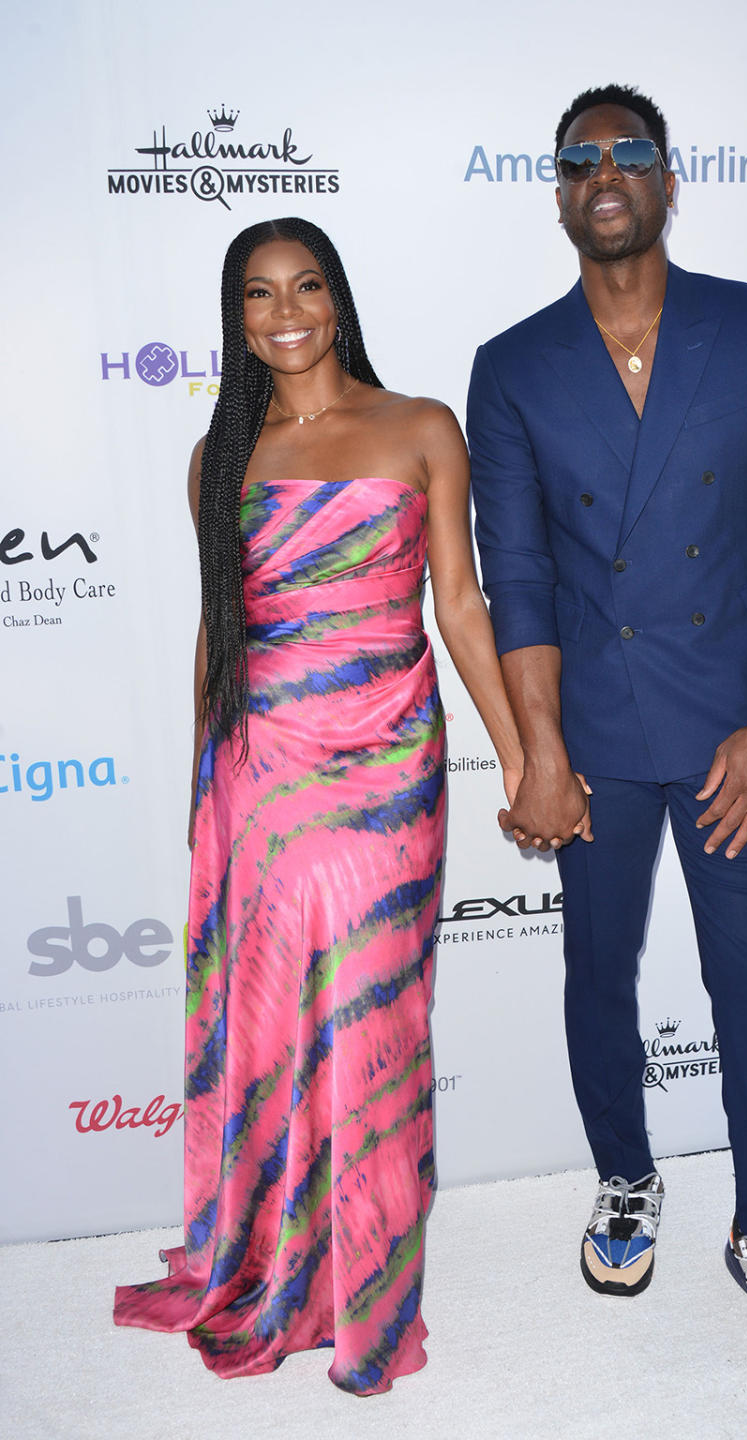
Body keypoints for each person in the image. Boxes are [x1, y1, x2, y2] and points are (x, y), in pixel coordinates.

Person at [467, 86, 747, 1373]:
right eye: (581, 157)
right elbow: (514, 573)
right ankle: (625, 1177)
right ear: (560, 190)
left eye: (630, 152)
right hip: (599, 740)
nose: (606, 172)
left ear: (670, 179)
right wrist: (540, 750)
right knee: (595, 975)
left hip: (737, 734)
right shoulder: (513, 366)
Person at [114, 217, 526, 1395]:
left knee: (373, 1023)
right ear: (236, 316)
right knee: (271, 1026)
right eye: (256, 294)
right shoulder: (219, 453)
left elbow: (463, 608)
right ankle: (279, 1257)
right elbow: (218, 632)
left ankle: (368, 1286)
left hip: (388, 769)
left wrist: (519, 759)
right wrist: (205, 787)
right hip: (260, 774)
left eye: (304, 287)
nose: (282, 311)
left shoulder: (419, 429)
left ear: (337, 300)